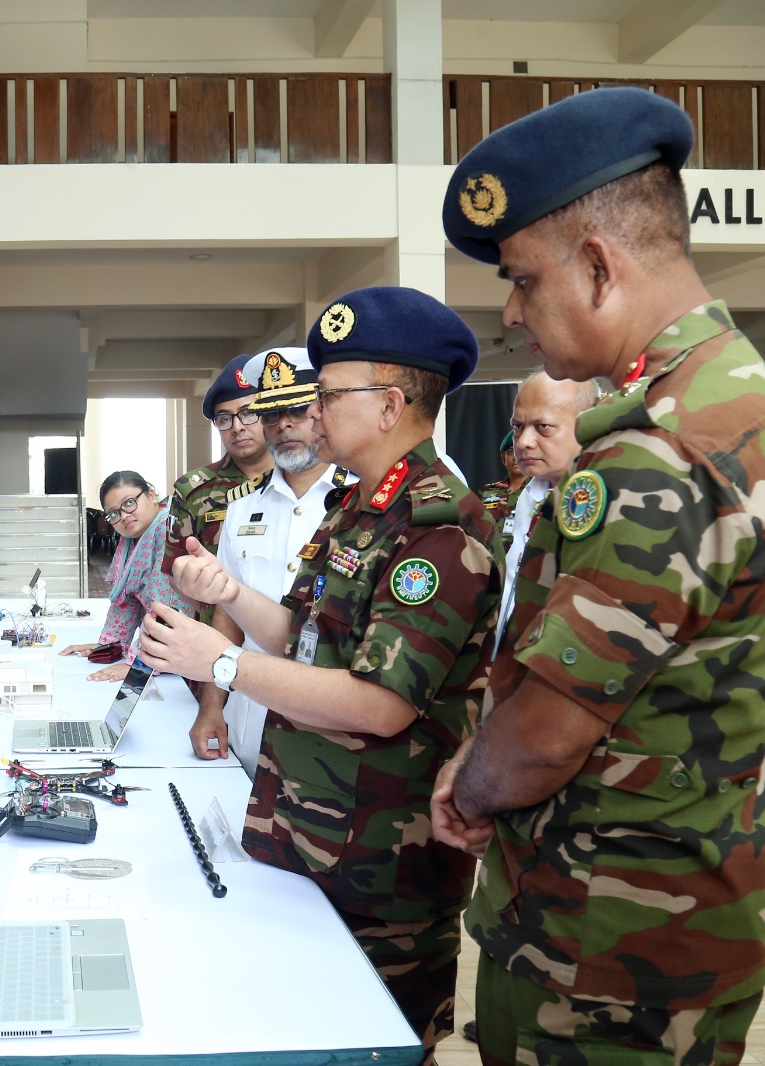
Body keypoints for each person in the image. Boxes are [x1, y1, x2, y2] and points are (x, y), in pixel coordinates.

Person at [432, 87, 765, 1066]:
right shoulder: (739, 397)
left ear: (599, 266)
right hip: (681, 918)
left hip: (603, 952)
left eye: (522, 279)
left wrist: (470, 787)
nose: (510, 310)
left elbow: (547, 733)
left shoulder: (659, 450)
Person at [138, 286, 499, 1062]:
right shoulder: (357, 510)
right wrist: (230, 595)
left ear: (390, 404)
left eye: (330, 394)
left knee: (377, 1044)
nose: (312, 412)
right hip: (309, 829)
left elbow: (380, 703)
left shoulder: (437, 527)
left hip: (381, 863)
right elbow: (304, 636)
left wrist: (220, 662)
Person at [189, 346, 354, 776]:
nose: (283, 425)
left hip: (331, 722)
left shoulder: (360, 498)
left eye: (297, 410)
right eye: (270, 414)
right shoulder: (242, 509)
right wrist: (211, 706)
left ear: (322, 409)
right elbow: (227, 616)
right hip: (252, 712)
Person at [492, 371, 602, 656]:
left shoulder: (602, 500)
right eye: (518, 427)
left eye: (543, 427)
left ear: (587, 425)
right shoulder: (531, 493)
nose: (523, 442)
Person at [161, 353, 273, 619]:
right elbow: (175, 571)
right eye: (224, 419)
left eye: (248, 413)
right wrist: (218, 613)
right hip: (220, 631)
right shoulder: (194, 490)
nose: (237, 427)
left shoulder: (301, 480)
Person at [60, 471, 193, 683]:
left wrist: (138, 663)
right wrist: (110, 646)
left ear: (151, 495)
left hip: (187, 651)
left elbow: (168, 609)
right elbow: (126, 600)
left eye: (129, 503)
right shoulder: (133, 538)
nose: (123, 516)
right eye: (113, 513)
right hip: (167, 646)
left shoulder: (168, 529)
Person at [477, 430, 521, 529]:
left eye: (520, 452)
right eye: (511, 452)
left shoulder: (539, 492)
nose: (515, 458)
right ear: (503, 458)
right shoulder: (487, 491)